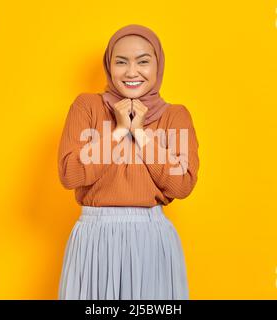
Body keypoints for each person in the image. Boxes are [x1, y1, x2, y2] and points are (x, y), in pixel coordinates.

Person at [57, 24, 199, 300]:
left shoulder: (176, 116)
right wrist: (120, 130)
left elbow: (182, 184)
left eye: (143, 61)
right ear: (109, 67)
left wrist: (141, 133)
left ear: (158, 65)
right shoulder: (86, 107)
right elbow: (70, 174)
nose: (132, 72)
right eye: (121, 62)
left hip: (150, 237)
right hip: (94, 237)